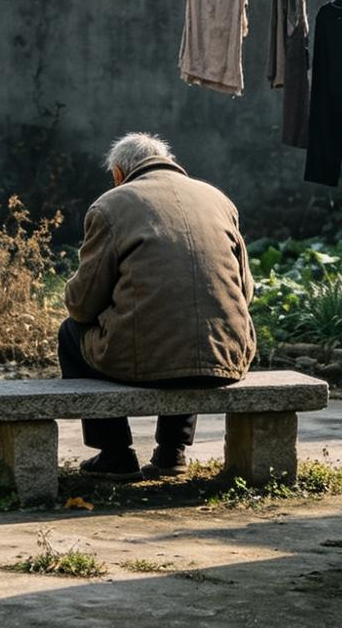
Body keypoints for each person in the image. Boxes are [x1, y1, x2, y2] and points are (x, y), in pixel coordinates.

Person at [60, 131, 256, 479]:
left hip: (144, 360)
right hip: (226, 356)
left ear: (119, 174)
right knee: (194, 325)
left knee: (71, 333)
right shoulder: (218, 200)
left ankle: (115, 452)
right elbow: (245, 292)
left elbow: (82, 305)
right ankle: (171, 452)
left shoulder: (111, 205)